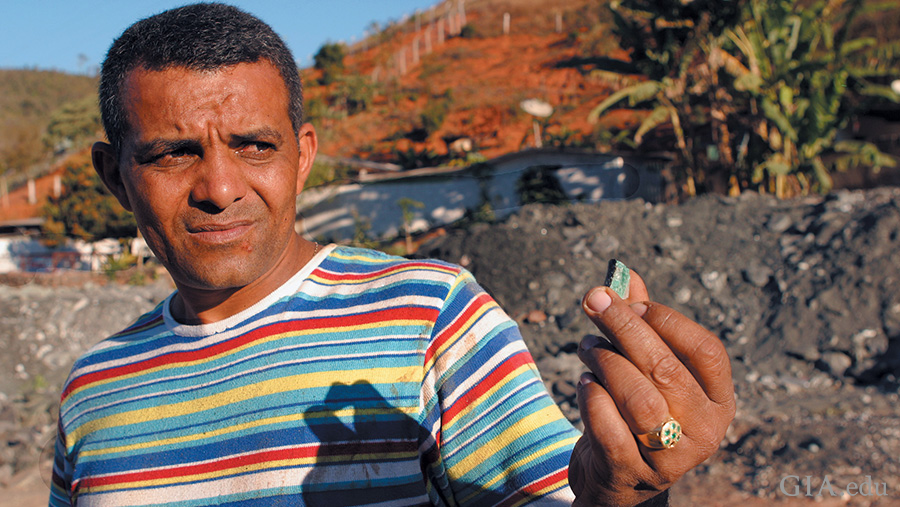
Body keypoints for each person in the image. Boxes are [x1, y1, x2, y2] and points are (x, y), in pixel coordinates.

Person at [49, 4, 735, 506]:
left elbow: (571, 495)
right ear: (114, 177)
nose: (220, 188)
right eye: (174, 153)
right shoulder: (94, 392)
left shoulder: (429, 317)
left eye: (255, 145)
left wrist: (627, 493)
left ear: (303, 155)